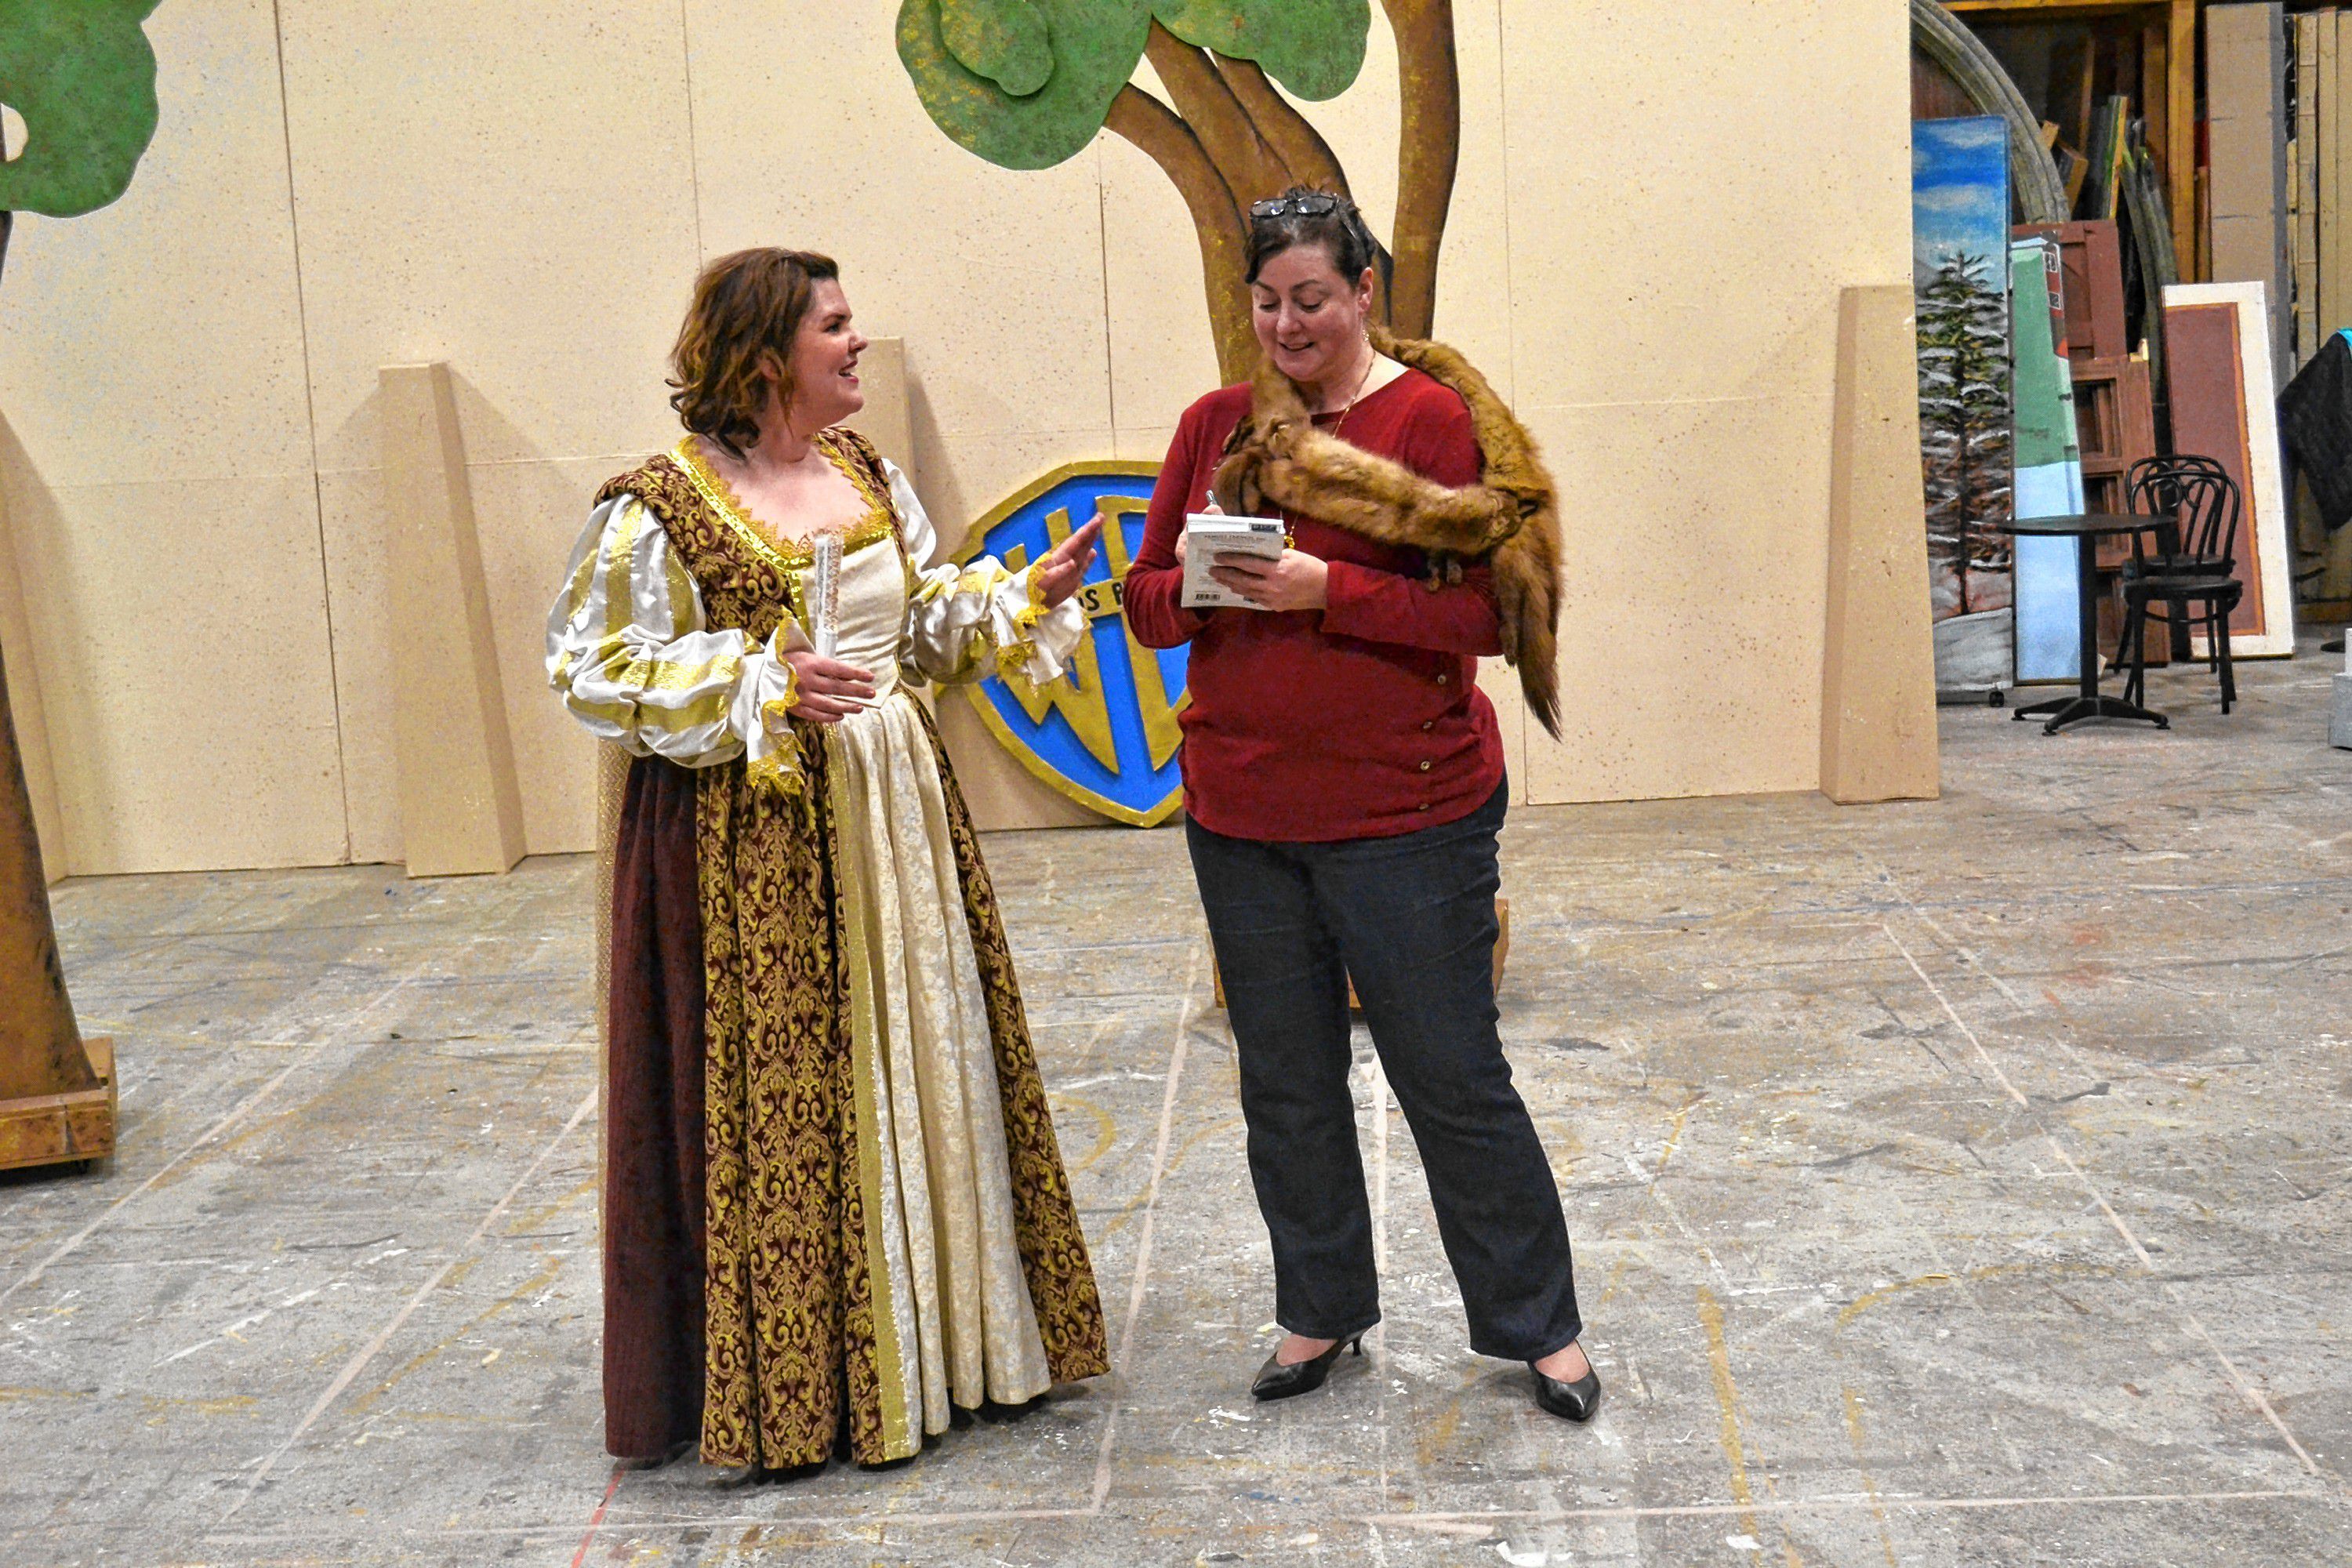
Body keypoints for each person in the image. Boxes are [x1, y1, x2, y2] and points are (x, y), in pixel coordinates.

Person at [547, 247, 1110, 1475]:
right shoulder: (660, 503)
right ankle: (821, 1385)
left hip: (897, 815)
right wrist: (756, 676)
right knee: (795, 1100)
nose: (858, 345)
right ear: (765, 357)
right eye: (837, 327)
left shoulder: (864, 471)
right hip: (756, 844)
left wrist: (1019, 598)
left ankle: (946, 1347)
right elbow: (588, 666)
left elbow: (919, 627)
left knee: (928, 1061)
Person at [1120, 191, 1596, 1422]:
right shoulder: (1215, 424)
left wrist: (1333, 589)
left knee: (1451, 1075)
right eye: (1267, 302)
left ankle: (1538, 1327)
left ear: (1365, 291)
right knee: (1285, 1082)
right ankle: (1320, 1308)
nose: (1287, 323)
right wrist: (1209, 589)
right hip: (1242, 815)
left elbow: (1492, 621)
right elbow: (1150, 604)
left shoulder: (1430, 425)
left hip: (1410, 816)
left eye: (1312, 300)